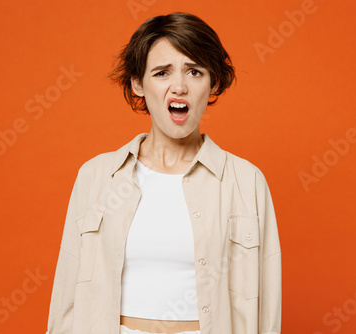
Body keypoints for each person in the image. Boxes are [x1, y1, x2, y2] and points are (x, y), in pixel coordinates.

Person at [45, 12, 281, 334]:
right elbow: (66, 301)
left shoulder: (246, 181)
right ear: (138, 84)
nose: (179, 87)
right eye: (162, 72)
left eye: (194, 71)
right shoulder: (97, 177)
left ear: (212, 82)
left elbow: (266, 306)